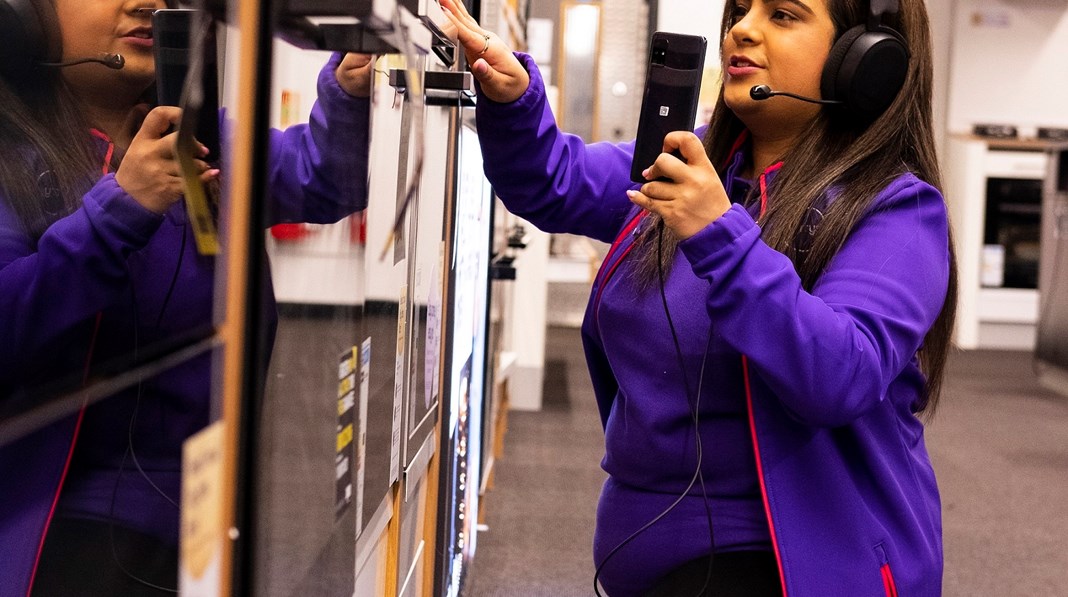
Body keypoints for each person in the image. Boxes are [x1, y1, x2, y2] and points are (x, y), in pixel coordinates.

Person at [442, 0, 956, 595]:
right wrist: (513, 99)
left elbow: (839, 374)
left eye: (783, 15)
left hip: (785, 565)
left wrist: (719, 235)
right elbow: (555, 181)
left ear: (867, 59)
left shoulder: (896, 208)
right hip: (646, 557)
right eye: (741, 9)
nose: (742, 28)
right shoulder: (698, 165)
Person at [0, 0, 374, 594]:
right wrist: (116, 214)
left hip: (207, 505)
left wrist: (347, 87)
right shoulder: (13, 157)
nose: (146, 2)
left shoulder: (199, 133)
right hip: (72, 530)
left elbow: (328, 180)